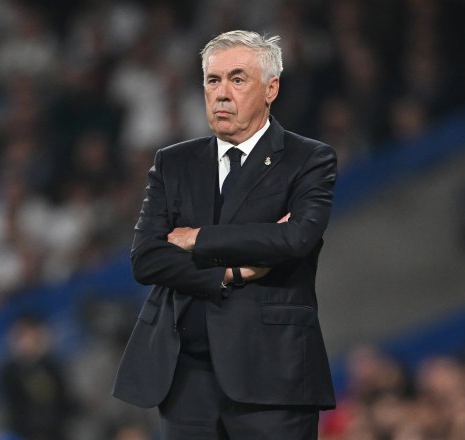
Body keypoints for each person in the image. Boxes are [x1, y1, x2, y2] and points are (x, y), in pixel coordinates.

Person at [113, 30, 337, 439]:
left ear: (271, 89)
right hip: (186, 377)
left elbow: (296, 239)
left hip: (273, 374)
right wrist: (227, 274)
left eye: (237, 79)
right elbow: (146, 258)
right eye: (213, 80)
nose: (221, 93)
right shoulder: (173, 162)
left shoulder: (309, 159)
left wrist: (197, 238)